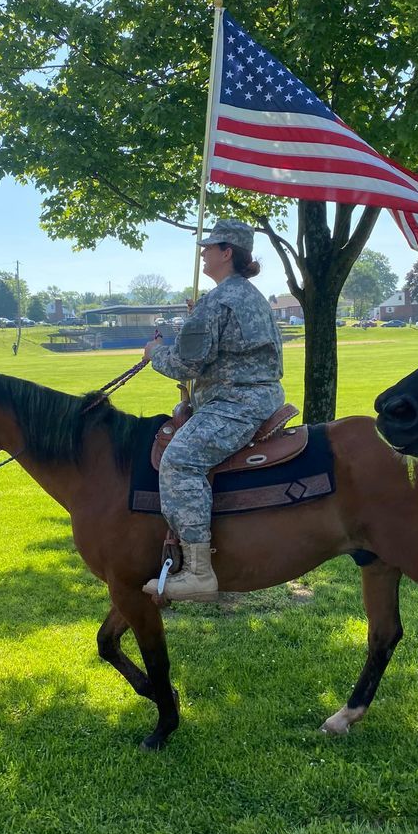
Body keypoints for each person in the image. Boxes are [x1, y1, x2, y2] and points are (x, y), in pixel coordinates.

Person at [141, 219, 285, 601]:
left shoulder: (218, 300)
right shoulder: (249, 295)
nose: (203, 252)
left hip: (233, 404)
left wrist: (155, 354)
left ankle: (199, 574)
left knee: (180, 462)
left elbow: (186, 366)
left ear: (227, 253)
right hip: (256, 397)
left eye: (210, 247)